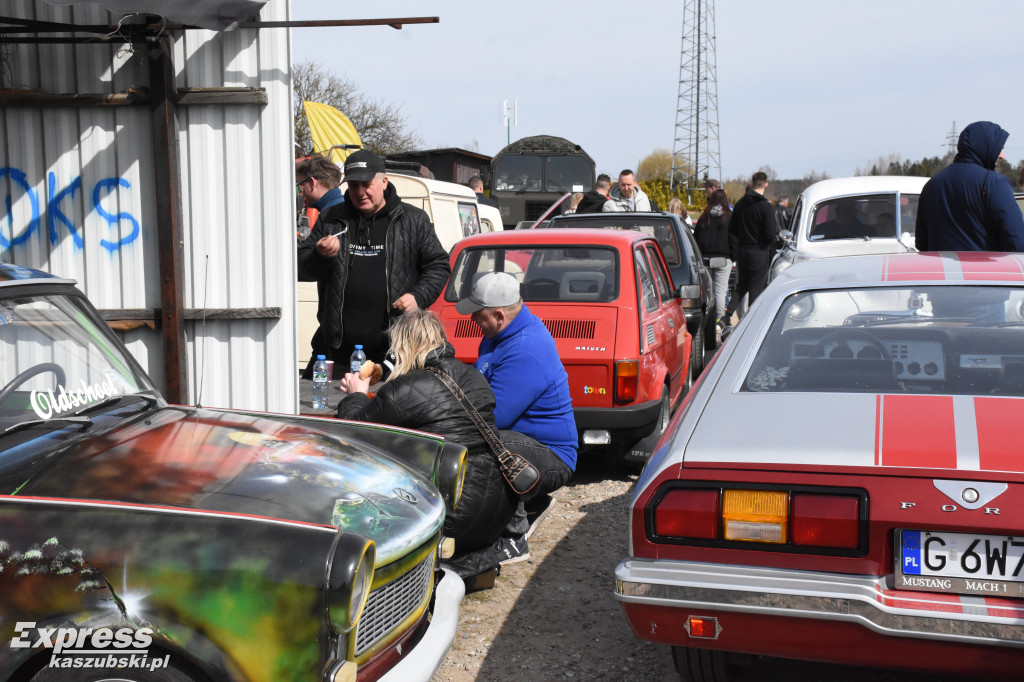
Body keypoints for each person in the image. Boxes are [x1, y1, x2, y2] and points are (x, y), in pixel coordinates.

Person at [336, 310, 517, 559]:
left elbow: (352, 431)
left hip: (451, 521)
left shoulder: (408, 387)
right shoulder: (473, 375)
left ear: (403, 345)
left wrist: (356, 394)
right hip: (495, 514)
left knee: (355, 485)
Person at [297, 150, 451, 378]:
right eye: (353, 186)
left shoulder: (412, 219)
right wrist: (320, 255)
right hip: (336, 352)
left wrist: (418, 296)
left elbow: (438, 265)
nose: (359, 192)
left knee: (383, 412)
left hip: (396, 352)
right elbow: (299, 268)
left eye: (366, 184)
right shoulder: (331, 218)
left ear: (384, 181)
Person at [457, 272, 577, 565]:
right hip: (527, 445)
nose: (472, 319)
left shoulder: (525, 348)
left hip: (552, 455)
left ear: (499, 315)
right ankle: (525, 500)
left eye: (478, 314)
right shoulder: (497, 336)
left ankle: (513, 539)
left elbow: (491, 418)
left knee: (487, 444)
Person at [916, 121, 1024, 252]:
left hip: (942, 271)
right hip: (984, 271)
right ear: (984, 146)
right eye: (1000, 148)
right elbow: (1017, 242)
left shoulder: (932, 185)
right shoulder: (995, 183)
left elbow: (922, 243)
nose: (1002, 156)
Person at [722, 171, 778, 324]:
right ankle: (753, 322)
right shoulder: (766, 207)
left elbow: (732, 230)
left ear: (752, 183)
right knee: (756, 289)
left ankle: (726, 317)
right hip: (759, 252)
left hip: (742, 251)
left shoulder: (740, 205)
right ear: (766, 185)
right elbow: (770, 234)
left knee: (742, 286)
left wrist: (735, 251)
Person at [694, 188, 736, 325]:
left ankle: (708, 321)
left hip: (706, 259)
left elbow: (696, 239)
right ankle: (720, 320)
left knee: (708, 291)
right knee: (720, 291)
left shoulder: (704, 217)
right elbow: (734, 239)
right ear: (725, 200)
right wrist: (733, 257)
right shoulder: (730, 217)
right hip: (724, 260)